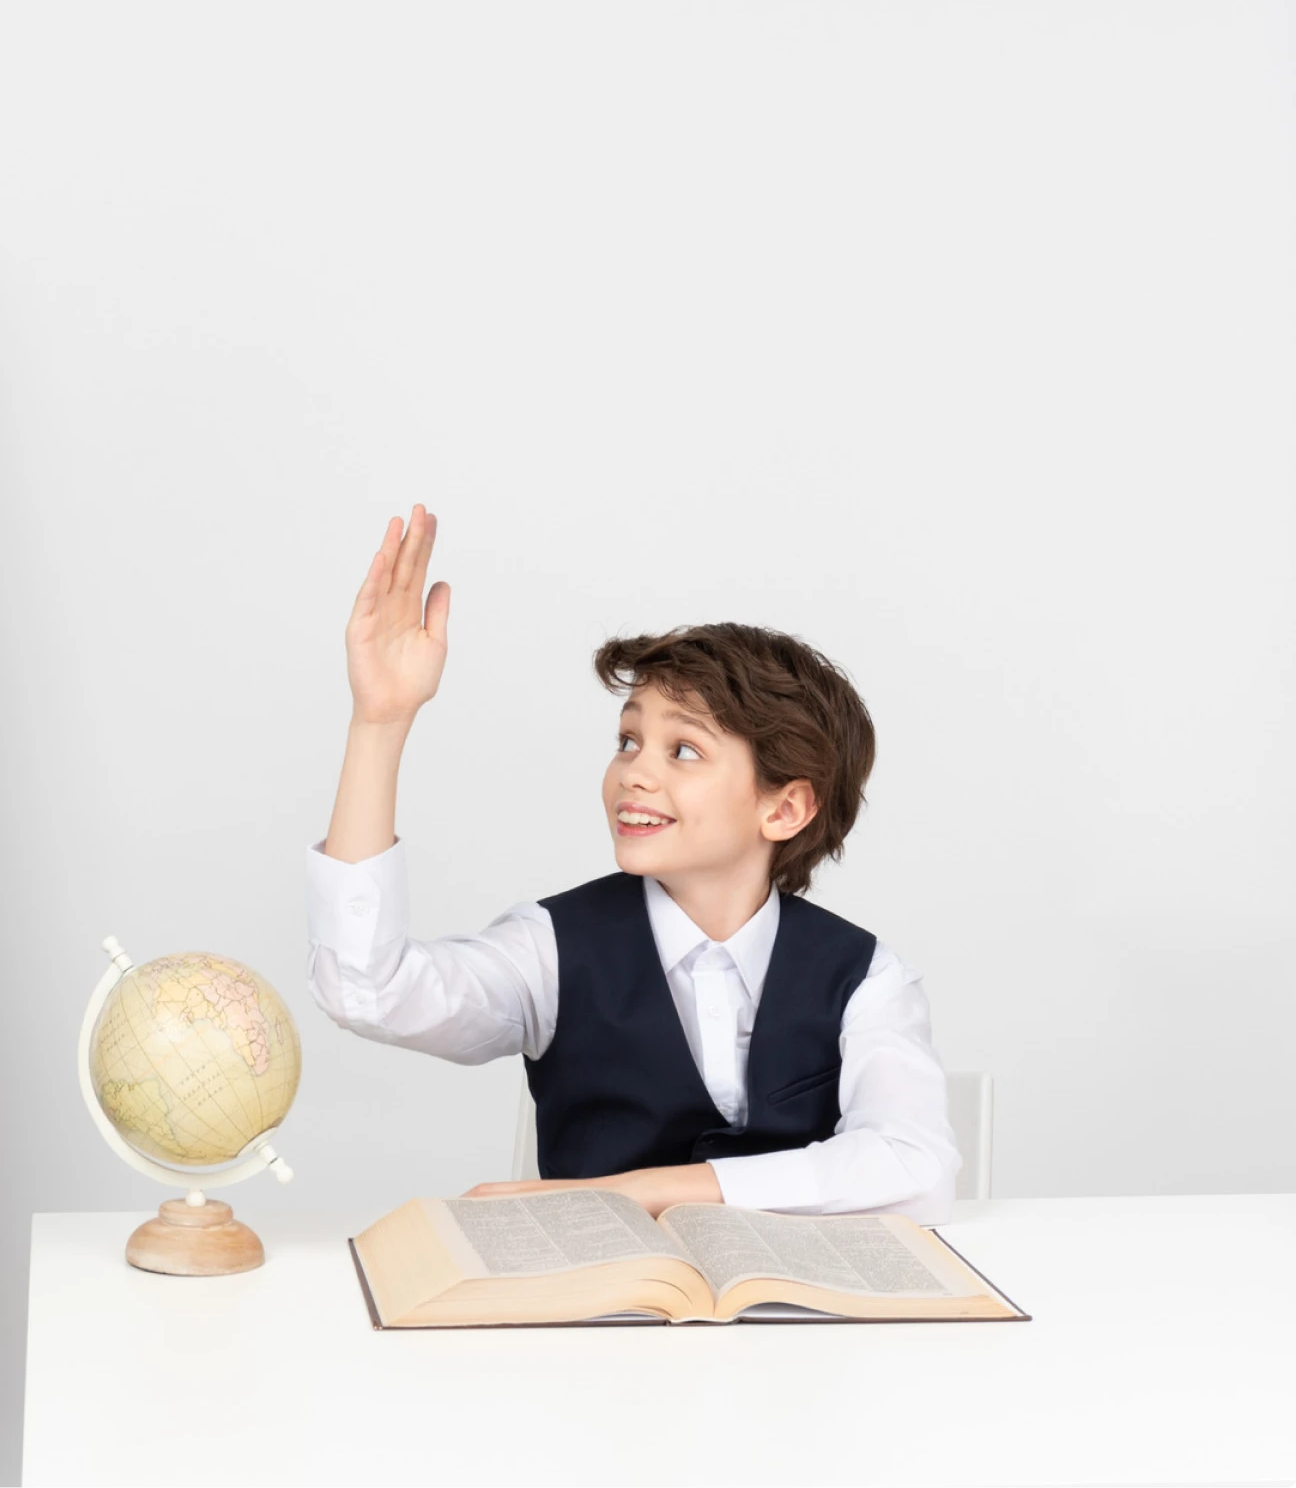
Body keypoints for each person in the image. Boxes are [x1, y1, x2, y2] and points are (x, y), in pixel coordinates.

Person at [308, 505, 958, 1222]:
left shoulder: (867, 977)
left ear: (784, 808)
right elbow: (368, 989)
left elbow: (914, 1164)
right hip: (598, 1316)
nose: (633, 774)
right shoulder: (551, 949)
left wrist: (638, 1190)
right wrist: (380, 720)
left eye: (683, 750)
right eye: (627, 741)